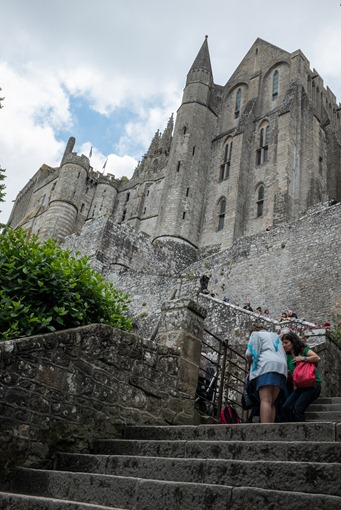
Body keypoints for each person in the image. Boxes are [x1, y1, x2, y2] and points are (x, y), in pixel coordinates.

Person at [245, 322, 288, 423]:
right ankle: (270, 429)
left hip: (266, 366)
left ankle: (264, 429)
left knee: (265, 400)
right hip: (281, 368)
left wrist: (249, 361)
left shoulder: (256, 334)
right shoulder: (275, 336)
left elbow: (249, 353)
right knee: (272, 402)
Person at [281, 332, 321, 422]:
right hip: (300, 387)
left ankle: (303, 433)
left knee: (298, 409)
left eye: (286, 343)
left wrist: (303, 358)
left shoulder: (303, 350)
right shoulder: (287, 357)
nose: (284, 345)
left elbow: (317, 358)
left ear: (293, 342)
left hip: (313, 385)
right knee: (286, 407)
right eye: (283, 343)